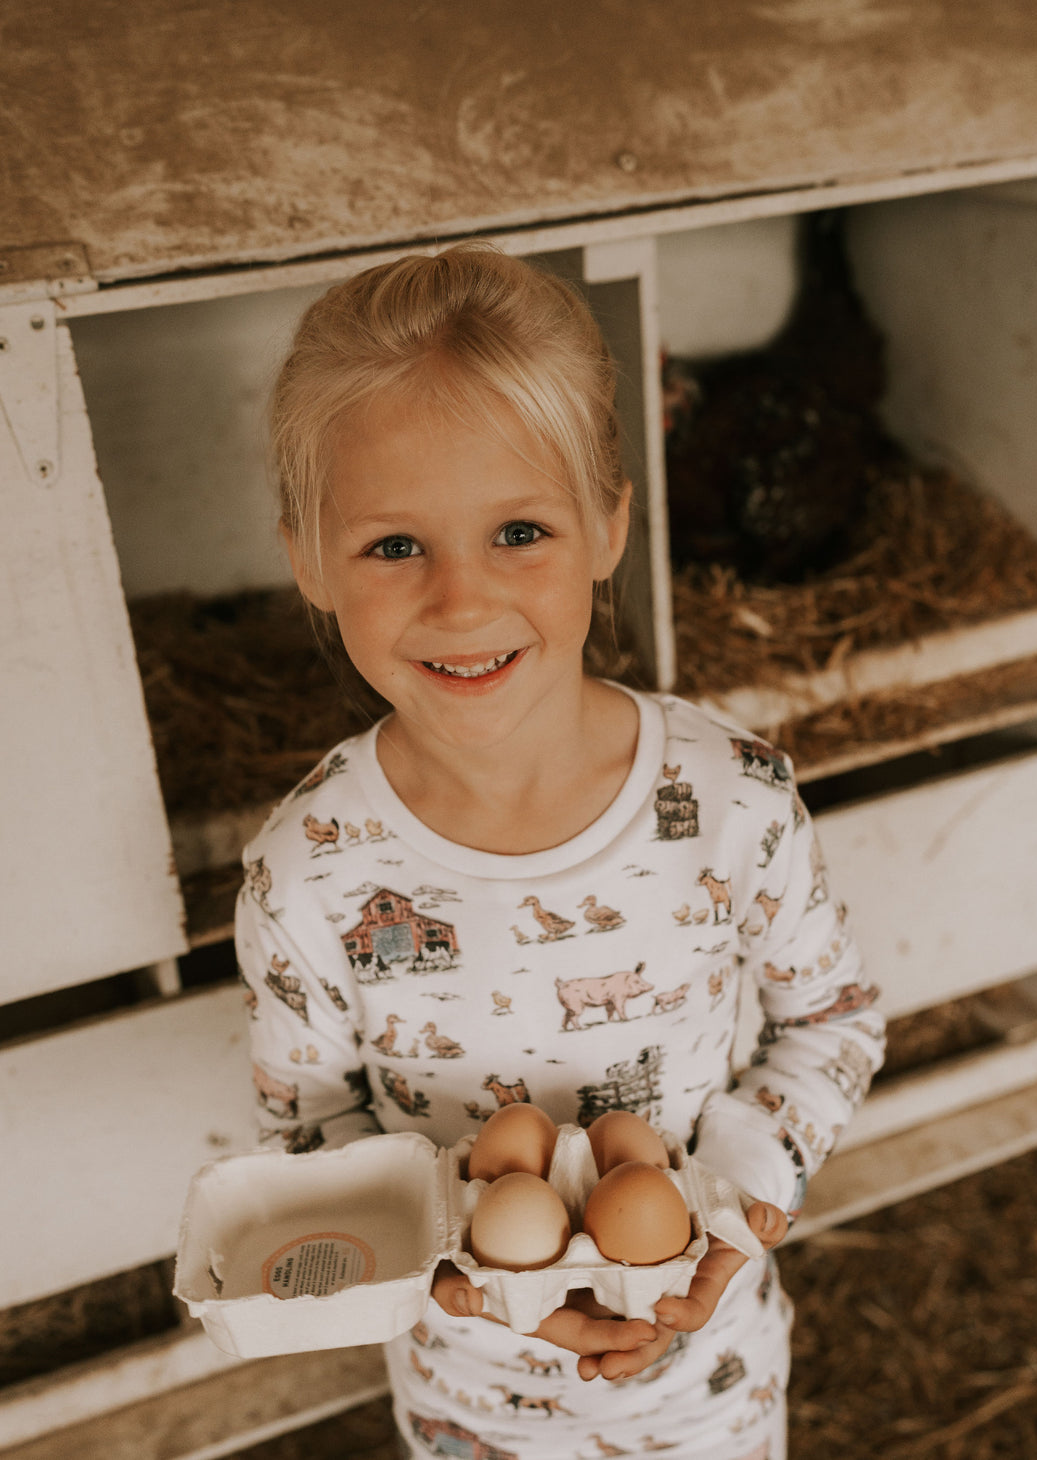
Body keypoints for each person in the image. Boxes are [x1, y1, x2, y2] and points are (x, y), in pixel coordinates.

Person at [235, 243, 886, 1460]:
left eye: (520, 530)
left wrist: (729, 1213)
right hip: (466, 1397)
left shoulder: (730, 800)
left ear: (608, 525)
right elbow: (306, 1125)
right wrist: (449, 1273)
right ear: (308, 560)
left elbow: (834, 1023)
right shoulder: (308, 871)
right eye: (393, 546)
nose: (462, 599)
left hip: (710, 1380)